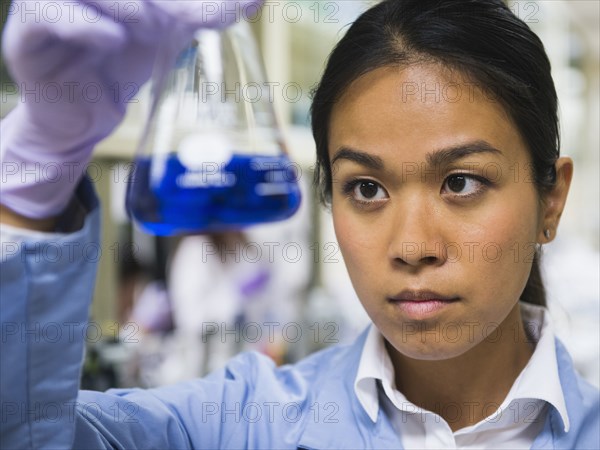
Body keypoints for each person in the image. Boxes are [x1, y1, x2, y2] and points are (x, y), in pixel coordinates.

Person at [1, 0, 598, 448]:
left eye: (461, 182)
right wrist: (38, 162)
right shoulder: (243, 421)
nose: (413, 246)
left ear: (551, 200)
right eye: (366, 188)